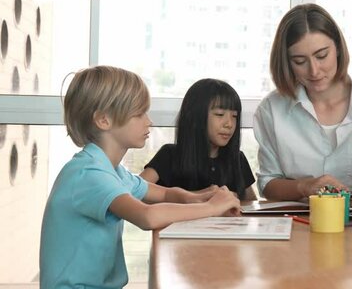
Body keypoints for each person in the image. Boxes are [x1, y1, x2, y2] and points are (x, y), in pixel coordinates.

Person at [40, 66, 241, 288]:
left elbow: (161, 193)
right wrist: (211, 208)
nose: (149, 122)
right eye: (139, 114)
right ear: (104, 120)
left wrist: (201, 196)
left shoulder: (112, 171)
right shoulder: (88, 175)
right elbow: (147, 216)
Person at [253, 3, 352, 201]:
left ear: (337, 48)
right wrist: (304, 186)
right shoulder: (271, 110)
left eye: (321, 56)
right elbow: (267, 184)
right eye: (300, 61)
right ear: (286, 62)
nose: (314, 70)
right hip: (299, 224)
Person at [140, 79, 257, 200]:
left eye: (234, 116)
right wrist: (201, 196)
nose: (229, 124)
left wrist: (234, 198)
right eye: (219, 114)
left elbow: (252, 205)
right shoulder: (169, 155)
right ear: (195, 117)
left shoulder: (238, 159)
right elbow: (134, 194)